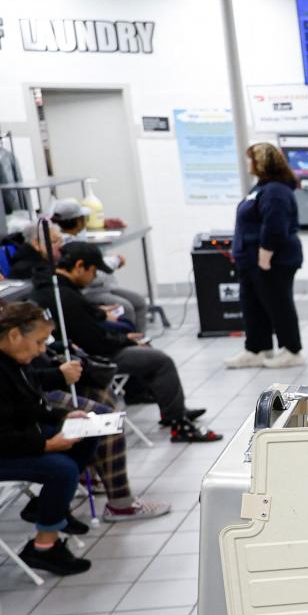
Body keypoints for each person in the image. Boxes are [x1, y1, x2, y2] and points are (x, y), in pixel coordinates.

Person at [34, 242, 220, 443]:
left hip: (84, 349)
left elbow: (85, 322)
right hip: (90, 357)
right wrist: (125, 341)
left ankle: (173, 410)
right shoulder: (66, 296)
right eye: (94, 272)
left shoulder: (53, 288)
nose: (94, 278)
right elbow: (94, 341)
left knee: (142, 345)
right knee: (160, 360)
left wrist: (115, 330)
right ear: (80, 266)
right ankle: (178, 423)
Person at [0, 302, 99, 576]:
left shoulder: (15, 362)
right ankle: (44, 548)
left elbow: (30, 405)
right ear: (14, 335)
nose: (43, 350)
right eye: (39, 342)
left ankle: (49, 506)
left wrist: (63, 417)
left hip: (18, 437)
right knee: (61, 469)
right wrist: (46, 445)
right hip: (6, 448)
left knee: (86, 435)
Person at [29, 344, 170, 522]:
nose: (41, 348)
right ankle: (120, 502)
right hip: (34, 402)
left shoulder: (23, 354)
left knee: (103, 395)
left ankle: (88, 474)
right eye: (39, 342)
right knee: (105, 422)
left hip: (39, 386)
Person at [226, 142, 305, 369]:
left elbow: (275, 227)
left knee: (278, 304)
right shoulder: (261, 188)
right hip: (250, 259)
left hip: (272, 260)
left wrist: (264, 257)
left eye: (251, 159)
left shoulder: (276, 191)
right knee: (253, 306)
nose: (248, 163)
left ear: (261, 162)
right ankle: (257, 349)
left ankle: (292, 350)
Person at [50, 198, 150, 332]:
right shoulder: (67, 245)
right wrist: (115, 262)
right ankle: (128, 343)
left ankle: (141, 340)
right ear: (79, 220)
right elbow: (91, 274)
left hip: (102, 286)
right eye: (83, 218)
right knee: (125, 308)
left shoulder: (78, 237)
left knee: (138, 301)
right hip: (88, 289)